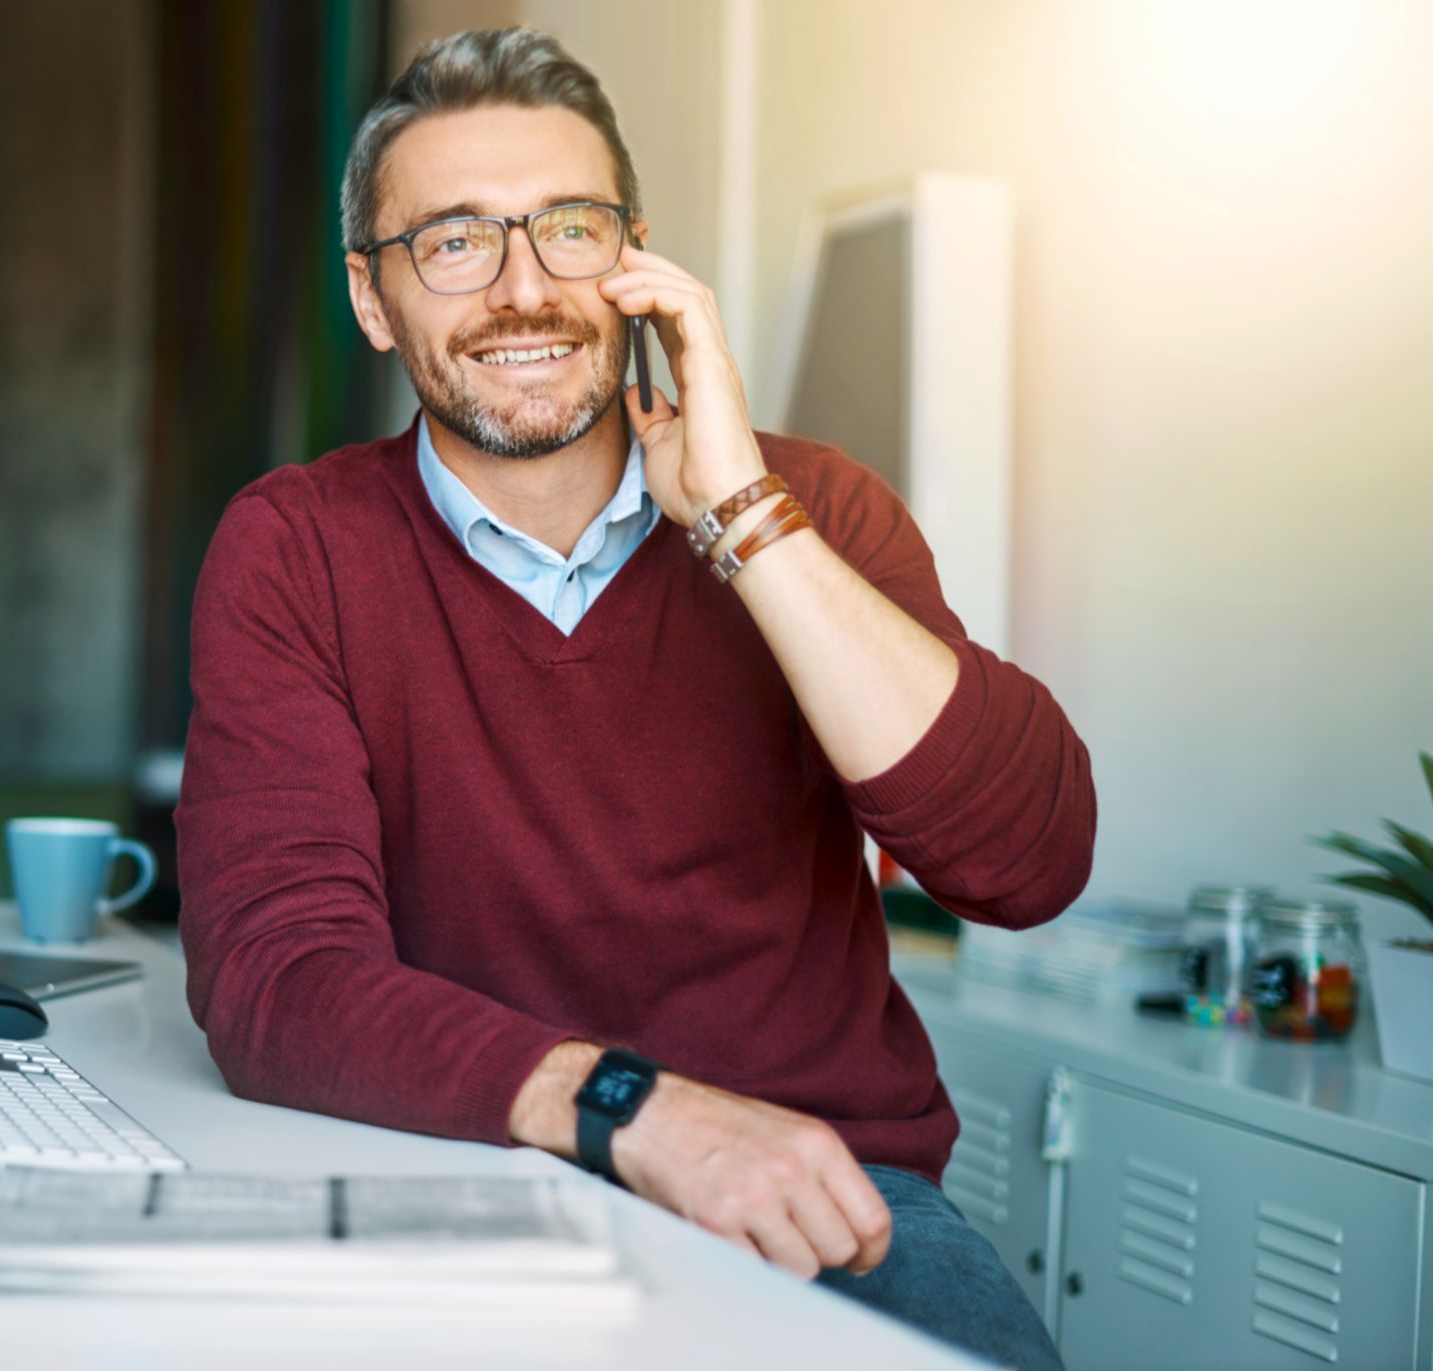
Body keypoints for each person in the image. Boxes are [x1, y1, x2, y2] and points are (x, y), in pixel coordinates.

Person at [176, 26, 1092, 1371]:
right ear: (376, 302)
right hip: (464, 1174)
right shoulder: (296, 546)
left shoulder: (813, 508)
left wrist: (742, 521)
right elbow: (278, 976)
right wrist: (635, 1108)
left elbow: (1028, 863)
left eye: (569, 229)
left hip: (825, 1199)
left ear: (640, 262)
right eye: (455, 243)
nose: (524, 289)